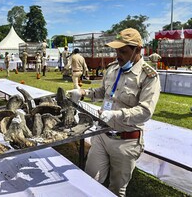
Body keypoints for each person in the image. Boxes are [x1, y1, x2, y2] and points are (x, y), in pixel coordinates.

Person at [69, 28, 161, 197]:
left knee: (117, 190)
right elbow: (102, 91)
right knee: (90, 180)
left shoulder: (148, 77)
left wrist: (115, 115)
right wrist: (83, 93)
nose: (118, 55)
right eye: (116, 50)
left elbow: (145, 111)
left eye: (123, 51)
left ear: (138, 50)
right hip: (101, 136)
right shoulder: (113, 68)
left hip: (126, 141)